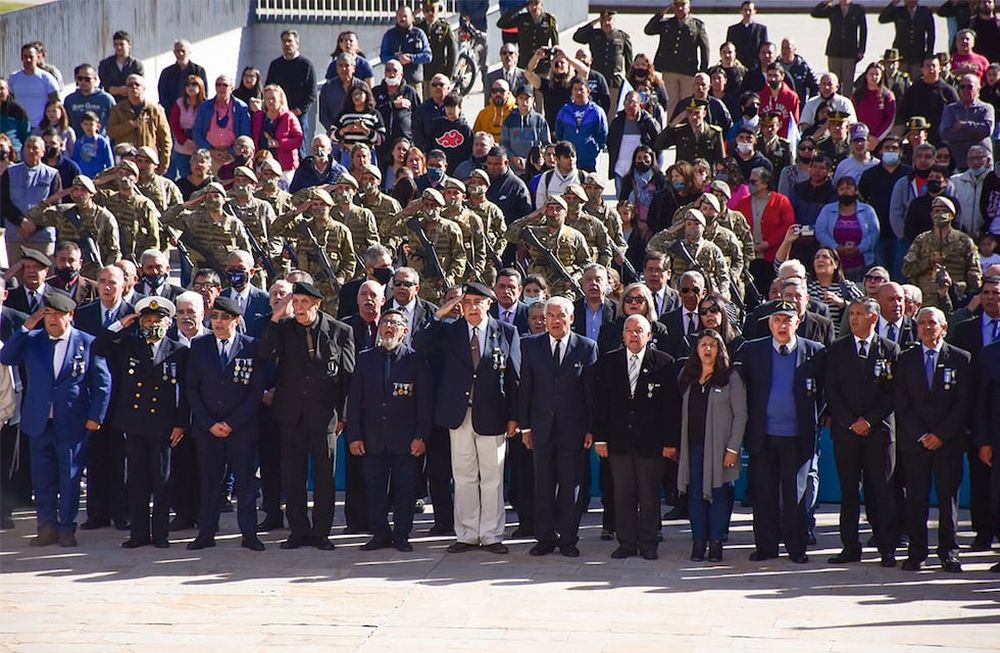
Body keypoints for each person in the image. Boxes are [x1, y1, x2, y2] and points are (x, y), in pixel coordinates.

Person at [0, 290, 110, 547]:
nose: (51, 320)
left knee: (69, 478)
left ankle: (66, 528)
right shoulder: (33, 340)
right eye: (48, 314)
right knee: (43, 479)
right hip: (39, 423)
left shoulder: (87, 342)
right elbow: (5, 357)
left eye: (58, 315)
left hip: (71, 423)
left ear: (70, 316)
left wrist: (96, 416)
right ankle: (46, 527)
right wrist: (26, 327)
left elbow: (103, 383)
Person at [425, 283, 520, 554]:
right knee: (464, 476)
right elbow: (421, 343)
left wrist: (514, 416)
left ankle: (491, 535)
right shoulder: (450, 331)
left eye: (479, 301)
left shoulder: (506, 332)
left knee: (493, 477)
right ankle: (466, 533)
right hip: (460, 414)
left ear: (490, 304)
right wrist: (440, 313)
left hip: (493, 415)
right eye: (468, 302)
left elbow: (514, 377)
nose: (473, 307)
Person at [259, 281, 354, 550]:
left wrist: (343, 416)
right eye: (295, 302)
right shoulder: (284, 329)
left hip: (324, 416)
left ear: (317, 304)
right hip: (290, 415)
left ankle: (321, 531)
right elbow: (265, 354)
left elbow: (348, 376)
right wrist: (277, 317)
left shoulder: (339, 330)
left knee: (325, 477)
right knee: (293, 476)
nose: (299, 308)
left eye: (304, 303)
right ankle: (298, 530)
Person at [92, 295, 186, 549]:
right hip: (133, 425)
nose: (152, 324)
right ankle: (139, 534)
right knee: (136, 482)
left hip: (163, 427)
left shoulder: (178, 351)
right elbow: (99, 347)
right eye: (147, 319)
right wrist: (122, 324)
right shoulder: (129, 345)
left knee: (162, 482)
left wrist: (180, 423)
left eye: (158, 319)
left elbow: (185, 393)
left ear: (168, 323)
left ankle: (161, 535)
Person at [736, 300, 826, 563]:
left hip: (798, 437)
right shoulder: (752, 351)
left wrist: (813, 419)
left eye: (787, 320)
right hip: (763, 435)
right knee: (763, 494)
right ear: (769, 324)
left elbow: (823, 393)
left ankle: (796, 548)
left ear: (797, 322)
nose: (782, 325)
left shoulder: (815, 351)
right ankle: (766, 547)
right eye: (777, 320)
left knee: (795, 497)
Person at [591, 314, 679, 560]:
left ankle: (649, 543)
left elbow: (671, 408)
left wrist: (670, 443)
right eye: (629, 330)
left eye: (639, 330)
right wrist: (600, 439)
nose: (633, 334)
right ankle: (627, 542)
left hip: (651, 443)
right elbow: (600, 404)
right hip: (618, 441)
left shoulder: (664, 363)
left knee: (649, 494)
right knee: (623, 494)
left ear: (649, 335)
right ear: (622, 334)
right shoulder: (609, 362)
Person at [184, 296, 266, 552]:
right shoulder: (199, 346)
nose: (218, 323)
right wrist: (209, 423)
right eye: (214, 317)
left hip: (241, 429)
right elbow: (192, 389)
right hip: (208, 429)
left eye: (224, 318)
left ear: (236, 320)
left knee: (245, 483)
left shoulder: (251, 347)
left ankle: (249, 534)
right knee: (209, 483)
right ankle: (206, 533)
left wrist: (231, 423)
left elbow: (256, 392)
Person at [518, 296, 597, 557]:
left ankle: (568, 539)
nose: (554, 320)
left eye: (560, 315)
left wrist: (590, 428)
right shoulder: (530, 346)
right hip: (541, 428)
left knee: (570, 485)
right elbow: (525, 389)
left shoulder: (586, 347)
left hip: (572, 430)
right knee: (542, 485)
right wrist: (525, 428)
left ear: (571, 318)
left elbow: (590, 394)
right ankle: (544, 538)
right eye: (549, 315)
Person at [347, 309, 431, 552]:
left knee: (405, 491)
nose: (389, 327)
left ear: (404, 332)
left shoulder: (415, 360)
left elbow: (424, 403)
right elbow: (354, 402)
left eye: (395, 323)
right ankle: (380, 533)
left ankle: (402, 534)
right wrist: (355, 435)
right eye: (385, 322)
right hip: (373, 438)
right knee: (374, 490)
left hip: (405, 440)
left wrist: (420, 436)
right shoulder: (365, 358)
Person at [894, 307, 971, 572]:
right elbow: (901, 403)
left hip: (947, 443)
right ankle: (917, 552)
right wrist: (921, 434)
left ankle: (949, 552)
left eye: (932, 323)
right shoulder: (905, 359)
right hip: (916, 444)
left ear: (944, 327)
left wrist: (941, 435)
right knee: (916, 498)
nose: (927, 327)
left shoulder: (961, 359)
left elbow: (963, 404)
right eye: (922, 323)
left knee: (948, 499)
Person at [825, 298, 901, 567]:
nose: (853, 318)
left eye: (859, 314)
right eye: (851, 313)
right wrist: (849, 421)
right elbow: (831, 390)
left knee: (882, 490)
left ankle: (886, 546)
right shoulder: (837, 349)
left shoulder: (890, 349)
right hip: (846, 433)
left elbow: (893, 393)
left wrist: (868, 421)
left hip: (879, 433)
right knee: (849, 492)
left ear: (873, 317)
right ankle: (850, 546)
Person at [675, 328, 747, 563]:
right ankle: (698, 543)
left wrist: (733, 448)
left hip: (721, 450)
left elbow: (741, 416)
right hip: (693, 448)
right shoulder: (687, 377)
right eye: (703, 344)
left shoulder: (731, 377)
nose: (707, 349)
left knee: (719, 496)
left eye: (712, 345)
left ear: (720, 349)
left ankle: (716, 543)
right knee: (695, 496)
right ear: (696, 349)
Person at [902, 196, 982, 310]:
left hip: (956, 298)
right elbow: (907, 269)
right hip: (926, 299)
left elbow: (974, 272)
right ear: (931, 214)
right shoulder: (921, 240)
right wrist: (929, 262)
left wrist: (971, 298)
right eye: (936, 211)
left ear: (952, 215)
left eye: (944, 211)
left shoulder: (964, 241)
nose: (940, 214)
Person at [644, 0, 711, 115]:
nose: (680, 8)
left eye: (683, 5)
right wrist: (662, 12)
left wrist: (703, 71)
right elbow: (648, 30)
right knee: (672, 104)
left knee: (688, 103)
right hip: (670, 69)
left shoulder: (697, 25)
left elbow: (705, 48)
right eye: (677, 5)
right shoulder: (667, 23)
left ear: (689, 7)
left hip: (688, 71)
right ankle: (673, 130)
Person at [815, 176, 881, 280]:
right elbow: (820, 231)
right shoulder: (827, 210)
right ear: (837, 192)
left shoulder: (867, 210)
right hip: (834, 264)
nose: (845, 192)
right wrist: (836, 247)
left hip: (863, 263)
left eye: (848, 188)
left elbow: (874, 232)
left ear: (855, 191)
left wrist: (859, 248)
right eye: (842, 189)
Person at [265, 30, 317, 158]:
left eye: (290, 41)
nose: (287, 44)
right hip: (277, 116)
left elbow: (311, 94)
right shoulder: (275, 65)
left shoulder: (306, 65)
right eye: (284, 41)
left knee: (299, 151)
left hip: (298, 117)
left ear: (297, 43)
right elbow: (268, 89)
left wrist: (296, 111)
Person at [105, 75, 172, 174]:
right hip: (126, 163)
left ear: (144, 88)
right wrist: (130, 125)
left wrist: (163, 165)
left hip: (148, 162)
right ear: (126, 89)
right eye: (130, 85)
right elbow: (111, 132)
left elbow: (165, 139)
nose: (134, 87)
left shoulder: (155, 110)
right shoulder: (118, 109)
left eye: (137, 84)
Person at [940, 74, 995, 171]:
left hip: (983, 163)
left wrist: (963, 125)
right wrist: (976, 134)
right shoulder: (950, 109)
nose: (965, 89)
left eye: (970, 87)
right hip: (959, 163)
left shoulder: (986, 109)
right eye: (962, 87)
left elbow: (987, 130)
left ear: (978, 89)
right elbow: (945, 134)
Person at [572, 10, 633, 95]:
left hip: (614, 82)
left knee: (612, 107)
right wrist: (594, 22)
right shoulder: (594, 34)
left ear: (614, 21)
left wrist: (630, 80)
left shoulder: (622, 37)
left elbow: (629, 62)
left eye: (609, 19)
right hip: (596, 80)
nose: (606, 23)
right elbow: (577, 37)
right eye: (603, 20)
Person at [811, 0, 868, 86]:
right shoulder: (833, 9)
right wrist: (828, 1)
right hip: (834, 50)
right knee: (833, 81)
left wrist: (861, 50)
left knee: (848, 82)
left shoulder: (857, 9)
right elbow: (815, 13)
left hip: (850, 51)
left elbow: (863, 30)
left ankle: (847, 99)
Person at [878, 0, 936, 81]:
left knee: (917, 82)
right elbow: (882, 19)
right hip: (901, 54)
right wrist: (894, 3)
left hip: (918, 55)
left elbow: (931, 35)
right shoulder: (899, 11)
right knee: (900, 81)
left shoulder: (925, 12)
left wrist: (928, 55)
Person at [496, 0, 559, 74]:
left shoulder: (549, 20)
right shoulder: (521, 18)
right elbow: (501, 24)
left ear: (541, 5)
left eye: (536, 4)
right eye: (530, 4)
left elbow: (556, 45)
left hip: (542, 65)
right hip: (524, 64)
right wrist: (518, 8)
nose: (534, 7)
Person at [9, 43, 60, 130]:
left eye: (31, 57)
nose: (28, 60)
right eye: (25, 57)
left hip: (42, 127)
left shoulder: (47, 78)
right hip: (20, 126)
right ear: (21, 58)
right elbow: (9, 101)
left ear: (37, 58)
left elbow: (56, 103)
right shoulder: (13, 78)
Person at [63, 64, 117, 139]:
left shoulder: (106, 99)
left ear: (95, 79)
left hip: (99, 143)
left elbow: (115, 121)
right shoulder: (70, 100)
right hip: (77, 143)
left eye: (87, 79)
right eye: (80, 78)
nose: (83, 82)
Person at [157, 40, 207, 116]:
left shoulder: (198, 71)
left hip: (195, 115)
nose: (180, 54)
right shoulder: (167, 73)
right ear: (174, 52)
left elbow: (203, 94)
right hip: (171, 115)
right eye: (177, 51)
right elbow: (162, 96)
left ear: (189, 52)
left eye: (183, 51)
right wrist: (174, 111)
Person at [98, 31, 144, 103]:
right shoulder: (105, 64)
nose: (118, 47)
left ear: (129, 45)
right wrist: (120, 90)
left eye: (121, 44)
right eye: (116, 44)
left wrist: (116, 89)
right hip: (110, 103)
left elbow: (139, 85)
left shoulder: (137, 65)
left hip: (131, 104)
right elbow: (104, 86)